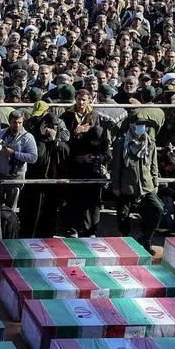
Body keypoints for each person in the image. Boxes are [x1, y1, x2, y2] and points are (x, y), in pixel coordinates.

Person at [61, 89, 110, 236]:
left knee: (92, 198)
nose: (81, 103)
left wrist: (99, 157)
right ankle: (73, 228)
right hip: (74, 160)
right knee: (74, 197)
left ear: (89, 100)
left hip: (92, 162)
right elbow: (63, 137)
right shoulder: (67, 115)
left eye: (84, 100)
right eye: (79, 99)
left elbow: (100, 137)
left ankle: (90, 230)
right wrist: (75, 132)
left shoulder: (94, 115)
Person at [110, 117, 164, 251]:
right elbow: (116, 166)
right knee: (123, 215)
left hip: (146, 185)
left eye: (144, 125)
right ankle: (126, 241)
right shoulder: (121, 143)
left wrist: (155, 182)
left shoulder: (150, 142)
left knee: (158, 209)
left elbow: (153, 164)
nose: (142, 127)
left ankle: (146, 239)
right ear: (131, 126)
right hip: (127, 185)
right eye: (139, 125)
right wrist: (116, 186)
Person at [20, 111, 70, 237]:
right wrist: (41, 136)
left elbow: (64, 154)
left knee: (49, 214)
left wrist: (54, 140)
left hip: (51, 185)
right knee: (31, 214)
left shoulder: (59, 142)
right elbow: (37, 157)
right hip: (34, 183)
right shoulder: (33, 138)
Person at [0, 110, 37, 217]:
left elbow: (33, 157)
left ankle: (9, 230)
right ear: (9, 122)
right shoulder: (1, 133)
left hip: (16, 177)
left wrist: (14, 153)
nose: (17, 125)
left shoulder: (28, 137)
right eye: (14, 122)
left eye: (19, 123)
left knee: (11, 208)